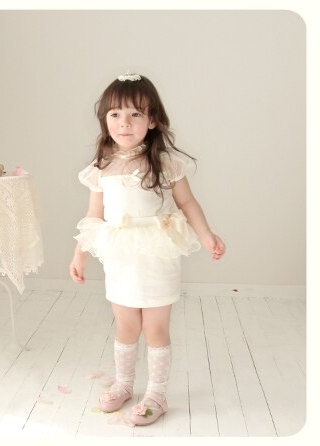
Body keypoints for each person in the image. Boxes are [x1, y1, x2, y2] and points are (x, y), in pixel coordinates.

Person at [69, 71, 225, 426]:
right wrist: (79, 253)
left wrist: (206, 235)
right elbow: (93, 215)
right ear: (105, 120)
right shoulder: (101, 168)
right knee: (125, 325)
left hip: (157, 254)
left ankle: (156, 392)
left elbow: (187, 203)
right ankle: (124, 383)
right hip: (120, 256)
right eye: (115, 114)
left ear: (152, 120)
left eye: (135, 114)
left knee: (155, 327)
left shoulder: (165, 163)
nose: (124, 123)